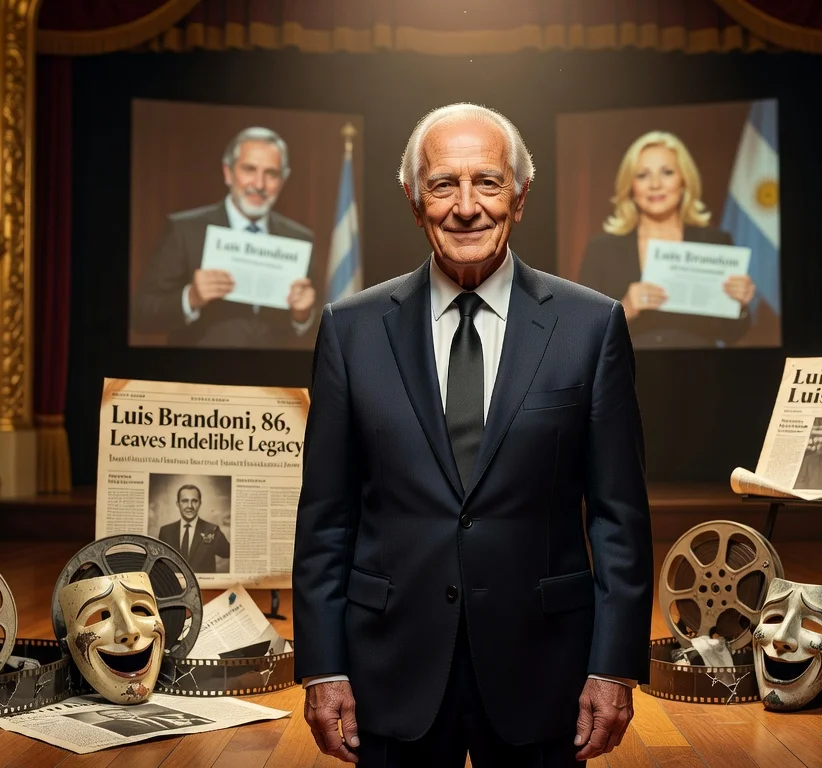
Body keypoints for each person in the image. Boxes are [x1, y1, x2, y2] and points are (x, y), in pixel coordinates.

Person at [293, 103, 652, 767]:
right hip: (389, 669)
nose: (466, 206)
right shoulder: (350, 329)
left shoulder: (591, 326)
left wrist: (614, 668)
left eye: (487, 182)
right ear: (412, 198)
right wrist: (322, 669)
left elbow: (618, 520)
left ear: (520, 196)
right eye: (442, 184)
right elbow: (325, 518)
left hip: (545, 671)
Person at [134, 126, 318, 348]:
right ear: (228, 172)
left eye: (271, 173)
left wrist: (303, 315)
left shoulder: (299, 239)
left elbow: (318, 326)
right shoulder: (184, 230)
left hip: (271, 376)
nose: (259, 184)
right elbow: (141, 314)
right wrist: (190, 298)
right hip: (200, 374)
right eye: (249, 169)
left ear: (284, 178)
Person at [577, 130, 757, 348]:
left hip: (702, 371)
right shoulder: (602, 249)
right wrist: (625, 309)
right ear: (631, 187)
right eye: (642, 175)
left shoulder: (715, 242)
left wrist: (741, 306)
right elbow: (583, 333)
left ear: (683, 181)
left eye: (667, 172)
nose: (655, 184)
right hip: (627, 374)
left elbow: (732, 334)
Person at [156, 484, 229, 572]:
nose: (189, 506)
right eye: (185, 501)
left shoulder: (212, 530)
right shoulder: (165, 531)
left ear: (200, 503)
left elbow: (228, 553)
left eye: (194, 501)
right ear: (178, 504)